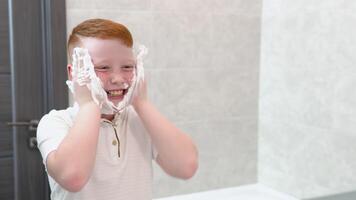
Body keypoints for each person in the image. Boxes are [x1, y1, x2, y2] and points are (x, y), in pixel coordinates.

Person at [36, 18, 198, 200]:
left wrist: (142, 103)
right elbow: (73, 177)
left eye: (127, 67)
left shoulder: (140, 120)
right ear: (74, 72)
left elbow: (186, 167)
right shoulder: (56, 122)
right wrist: (89, 104)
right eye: (103, 67)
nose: (118, 78)